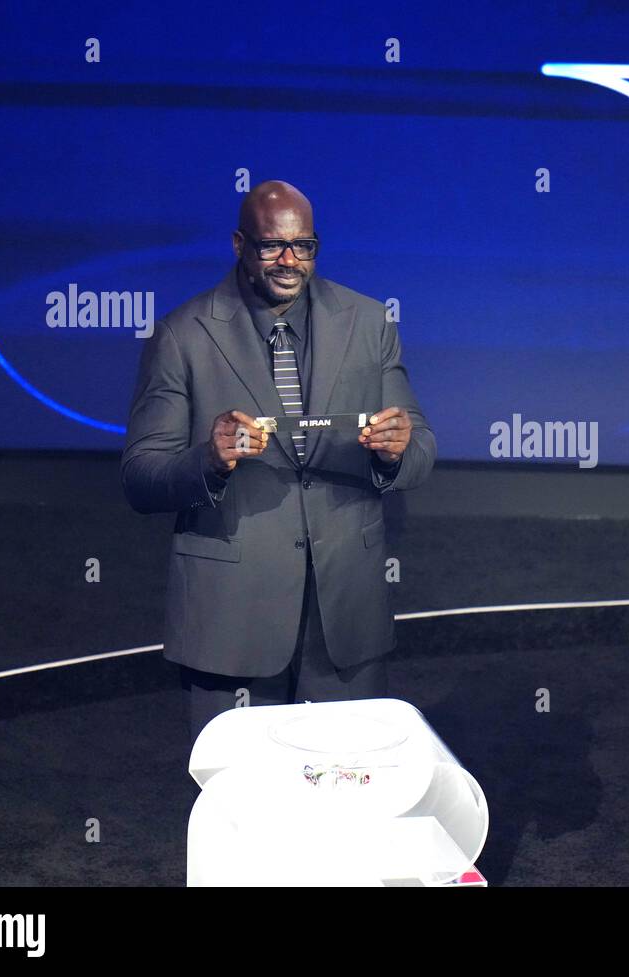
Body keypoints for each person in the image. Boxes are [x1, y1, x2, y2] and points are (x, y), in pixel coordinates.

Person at [120, 180, 435, 742]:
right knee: (242, 808)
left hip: (345, 615)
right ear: (240, 244)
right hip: (232, 621)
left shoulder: (368, 322)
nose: (289, 261)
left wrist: (395, 451)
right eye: (272, 246)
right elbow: (142, 477)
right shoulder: (182, 334)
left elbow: (420, 453)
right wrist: (209, 460)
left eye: (303, 246)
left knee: (352, 796)